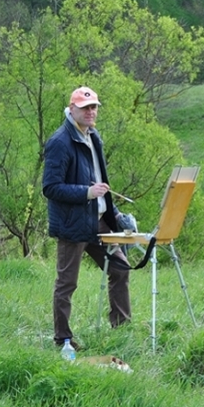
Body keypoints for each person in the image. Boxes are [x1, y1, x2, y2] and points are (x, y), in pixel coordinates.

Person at [43, 86, 136, 349]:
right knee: (67, 283)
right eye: (85, 108)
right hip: (72, 224)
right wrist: (86, 192)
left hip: (99, 221)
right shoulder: (59, 142)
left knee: (120, 269)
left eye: (94, 107)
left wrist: (114, 212)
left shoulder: (93, 136)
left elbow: (100, 181)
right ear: (72, 109)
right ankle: (63, 340)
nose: (91, 112)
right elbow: (50, 187)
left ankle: (121, 331)